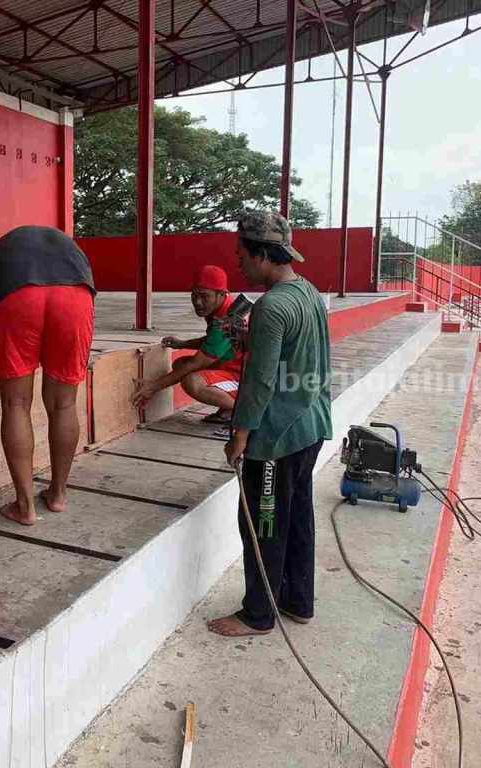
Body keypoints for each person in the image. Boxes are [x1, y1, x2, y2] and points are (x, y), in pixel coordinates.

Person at [207, 211, 332, 638]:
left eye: (242, 255)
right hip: (310, 424)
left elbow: (259, 382)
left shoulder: (271, 308)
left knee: (262, 524)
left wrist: (239, 434)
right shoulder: (309, 293)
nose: (239, 264)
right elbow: (298, 356)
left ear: (263, 254)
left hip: (275, 437)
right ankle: (298, 602)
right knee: (297, 517)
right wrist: (253, 338)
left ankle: (258, 615)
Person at [0, 225, 96, 526]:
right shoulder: (68, 248)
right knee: (64, 404)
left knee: (16, 403)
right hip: (75, 299)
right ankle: (58, 494)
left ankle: (24, 506)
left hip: (17, 297)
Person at [131, 265, 246, 423]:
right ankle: (229, 408)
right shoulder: (222, 308)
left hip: (249, 381)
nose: (198, 302)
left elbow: (196, 363)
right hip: (237, 368)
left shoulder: (227, 320)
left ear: (221, 294)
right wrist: (183, 344)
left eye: (204, 296)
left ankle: (246, 414)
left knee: (192, 382)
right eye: (194, 295)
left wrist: (153, 387)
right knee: (180, 364)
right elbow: (213, 343)